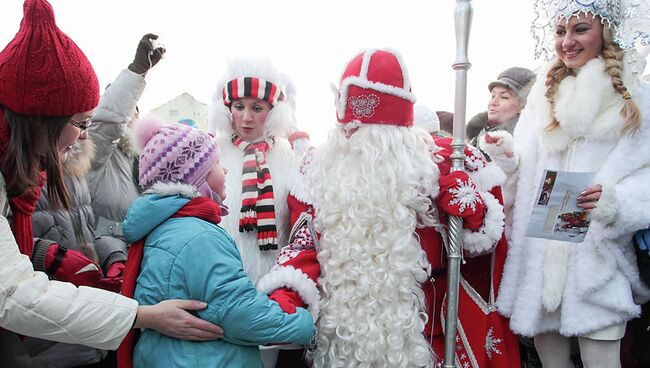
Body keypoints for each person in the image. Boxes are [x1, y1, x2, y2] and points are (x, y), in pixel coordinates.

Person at [256, 48, 512, 367]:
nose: (348, 139)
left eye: (360, 133)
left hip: (428, 340)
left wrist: (471, 211)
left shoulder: (444, 166)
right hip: (343, 342)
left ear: (393, 136)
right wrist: (286, 295)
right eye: (343, 130)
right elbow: (306, 245)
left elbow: (484, 258)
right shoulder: (321, 171)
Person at [0, 0, 222, 358]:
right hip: (53, 323)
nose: (85, 136)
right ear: (43, 120)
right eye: (81, 124)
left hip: (73, 315)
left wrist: (108, 253)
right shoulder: (32, 172)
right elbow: (13, 294)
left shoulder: (26, 168)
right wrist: (143, 315)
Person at [484, 0, 650, 367]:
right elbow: (524, 167)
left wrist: (615, 202)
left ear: (605, 32)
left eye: (580, 29)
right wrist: (508, 155)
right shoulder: (544, 95)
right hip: (541, 252)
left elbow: (646, 174)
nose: (567, 41)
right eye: (560, 31)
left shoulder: (636, 98)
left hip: (597, 254)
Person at [119, 117, 314, 368]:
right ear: (196, 178)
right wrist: (304, 324)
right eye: (217, 164)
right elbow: (239, 315)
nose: (226, 170)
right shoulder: (200, 237)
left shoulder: (167, 227)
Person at [208, 58, 310, 367]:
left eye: (257, 107)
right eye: (239, 106)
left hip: (274, 284)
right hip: (223, 280)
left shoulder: (289, 156)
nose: (247, 118)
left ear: (273, 111)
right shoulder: (212, 152)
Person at [86, 32, 165, 258]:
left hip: (138, 259)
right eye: (126, 111)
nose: (129, 117)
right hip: (104, 260)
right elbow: (108, 121)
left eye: (134, 111)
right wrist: (138, 71)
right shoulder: (97, 149)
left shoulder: (145, 158)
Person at [466, 66, 536, 146]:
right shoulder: (478, 135)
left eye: (504, 97)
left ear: (523, 106)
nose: (493, 102)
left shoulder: (522, 145)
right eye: (493, 96)